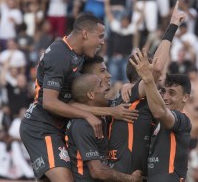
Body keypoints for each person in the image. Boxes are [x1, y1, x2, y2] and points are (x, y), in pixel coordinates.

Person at [19, 13, 137, 182]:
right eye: (100, 36)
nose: (102, 42)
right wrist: (90, 114)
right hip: (41, 127)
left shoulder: (79, 56)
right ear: (85, 34)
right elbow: (50, 102)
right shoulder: (60, 54)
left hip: (58, 124)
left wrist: (127, 85)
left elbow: (74, 101)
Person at [108, 0, 186, 180]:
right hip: (126, 174)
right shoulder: (132, 93)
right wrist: (173, 25)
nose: (160, 75)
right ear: (144, 70)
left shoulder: (133, 94)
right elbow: (157, 69)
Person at [129, 48, 192, 181]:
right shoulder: (156, 121)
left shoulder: (182, 120)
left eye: (172, 93)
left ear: (185, 98)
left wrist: (148, 78)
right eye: (164, 91)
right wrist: (128, 86)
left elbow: (160, 112)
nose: (165, 97)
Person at [66, 74, 143, 182]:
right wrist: (131, 179)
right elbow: (97, 171)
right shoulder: (81, 125)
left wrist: (129, 86)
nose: (107, 87)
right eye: (100, 85)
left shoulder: (106, 112)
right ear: (91, 95)